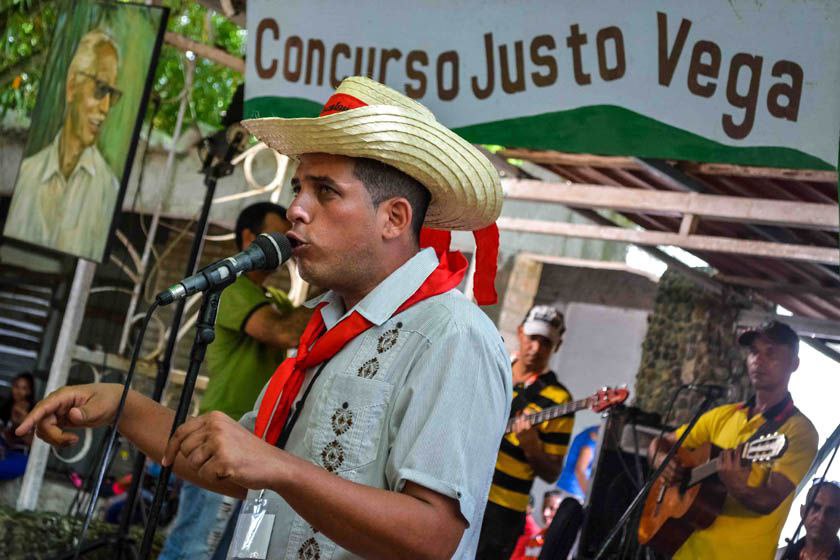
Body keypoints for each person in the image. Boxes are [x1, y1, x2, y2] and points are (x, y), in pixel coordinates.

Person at [18, 75, 511, 559]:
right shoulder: (331, 328)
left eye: (325, 191)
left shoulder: (452, 335)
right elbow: (237, 465)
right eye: (299, 187)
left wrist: (279, 467)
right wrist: (122, 407)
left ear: (395, 219)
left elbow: (434, 537)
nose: (295, 209)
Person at [159, 202, 311, 560]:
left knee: (231, 551)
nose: (285, 244)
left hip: (253, 444)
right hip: (220, 437)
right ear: (248, 238)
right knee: (192, 547)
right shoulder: (232, 289)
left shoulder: (272, 297)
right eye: (277, 235)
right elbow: (279, 332)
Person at [648, 320, 819, 560]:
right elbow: (660, 443)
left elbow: (769, 501)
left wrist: (737, 485)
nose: (758, 360)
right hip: (683, 550)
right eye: (753, 352)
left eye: (770, 352)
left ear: (794, 364)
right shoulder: (724, 415)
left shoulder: (799, 431)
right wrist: (663, 461)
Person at [5, 29, 121, 260]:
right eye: (100, 89)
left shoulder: (108, 190)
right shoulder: (28, 173)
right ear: (71, 87)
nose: (105, 107)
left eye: (112, 95)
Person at [477, 305, 573, 559]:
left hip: (503, 510)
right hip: (461, 487)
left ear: (557, 345)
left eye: (546, 342)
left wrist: (531, 445)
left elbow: (552, 472)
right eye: (533, 338)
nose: (537, 348)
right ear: (520, 333)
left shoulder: (560, 400)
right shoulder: (494, 368)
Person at [776, 480, 840, 560]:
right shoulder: (779, 556)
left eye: (831, 512)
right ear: (803, 512)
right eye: (816, 507)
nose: (821, 518)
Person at [0, 373, 36, 480]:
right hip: (4, 449)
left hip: (20, 455)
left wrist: (22, 422)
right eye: (16, 386)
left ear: (29, 391)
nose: (19, 391)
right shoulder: (5, 407)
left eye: (24, 388)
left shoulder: (34, 411)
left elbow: (34, 443)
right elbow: (7, 436)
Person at [555, 425, 598, 502]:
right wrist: (590, 498)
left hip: (567, 489)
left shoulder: (591, 431)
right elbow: (579, 471)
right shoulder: (592, 438)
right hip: (572, 492)